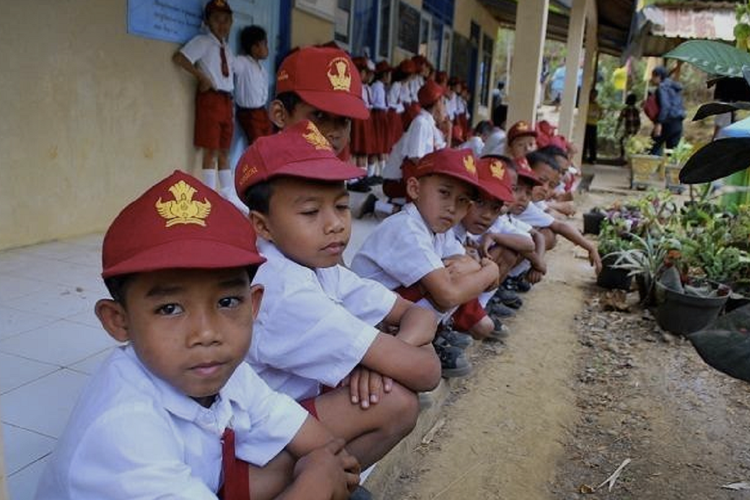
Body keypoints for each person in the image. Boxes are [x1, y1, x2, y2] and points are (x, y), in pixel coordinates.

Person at [35, 170, 361, 500]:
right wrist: (317, 482)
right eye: (170, 309)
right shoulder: (124, 430)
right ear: (118, 321)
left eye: (228, 302)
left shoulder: (219, 367)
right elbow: (320, 470)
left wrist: (328, 465)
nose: (206, 334)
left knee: (298, 461)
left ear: (254, 305)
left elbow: (299, 429)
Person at [234, 120, 441, 475]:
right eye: (311, 212)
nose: (335, 224)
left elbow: (422, 315)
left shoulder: (321, 265)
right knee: (395, 403)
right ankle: (319, 484)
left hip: (293, 420)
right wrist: (394, 356)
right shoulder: (283, 288)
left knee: (391, 391)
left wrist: (381, 358)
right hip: (250, 448)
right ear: (263, 226)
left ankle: (327, 482)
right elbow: (426, 371)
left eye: (342, 206)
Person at [351, 148, 503, 376]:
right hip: (365, 320)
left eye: (462, 201)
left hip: (392, 314)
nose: (452, 207)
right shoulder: (407, 228)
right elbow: (448, 294)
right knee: (451, 280)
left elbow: (466, 263)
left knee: (457, 274)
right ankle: (386, 361)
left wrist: (473, 266)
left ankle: (416, 344)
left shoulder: (439, 229)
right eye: (444, 193)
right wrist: (491, 270)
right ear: (414, 189)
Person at [172, 0, 246, 212]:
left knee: (224, 148)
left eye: (226, 20)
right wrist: (201, 77)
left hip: (226, 100)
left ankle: (228, 193)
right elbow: (180, 58)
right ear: (207, 21)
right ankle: (209, 193)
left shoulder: (226, 48)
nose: (222, 25)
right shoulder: (203, 42)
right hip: (211, 99)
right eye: (217, 20)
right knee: (210, 148)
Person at [362, 79, 448, 219]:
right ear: (437, 103)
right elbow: (414, 159)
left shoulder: (429, 123)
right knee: (426, 209)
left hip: (410, 178)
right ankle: (380, 206)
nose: (445, 107)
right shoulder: (421, 123)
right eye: (443, 102)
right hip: (396, 182)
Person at [268, 45, 369, 159]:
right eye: (319, 115)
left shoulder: (332, 170)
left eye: (344, 120)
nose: (334, 132)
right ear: (280, 115)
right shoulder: (263, 169)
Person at [512, 151, 602, 277]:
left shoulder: (528, 206)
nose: (545, 188)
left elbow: (559, 225)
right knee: (530, 239)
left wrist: (590, 247)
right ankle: (508, 279)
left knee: (544, 234)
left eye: (551, 185)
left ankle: (515, 276)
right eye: (541, 180)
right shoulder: (512, 202)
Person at [235, 25, 273, 146]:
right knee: (257, 145)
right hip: (249, 113)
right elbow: (227, 66)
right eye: (265, 44)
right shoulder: (242, 62)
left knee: (269, 141)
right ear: (254, 47)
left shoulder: (262, 69)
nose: (267, 48)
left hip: (262, 111)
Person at [649, 65, 686, 155]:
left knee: (654, 145)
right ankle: (669, 169)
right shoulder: (674, 87)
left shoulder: (662, 88)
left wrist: (659, 123)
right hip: (678, 121)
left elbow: (665, 106)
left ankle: (652, 167)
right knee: (672, 151)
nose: (652, 79)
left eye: (653, 76)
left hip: (667, 121)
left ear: (658, 76)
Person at [615, 93, 641, 160]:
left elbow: (620, 120)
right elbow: (638, 121)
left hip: (628, 129)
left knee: (622, 141)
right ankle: (630, 157)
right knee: (631, 143)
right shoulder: (636, 110)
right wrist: (638, 129)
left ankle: (622, 156)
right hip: (635, 130)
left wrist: (616, 129)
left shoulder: (625, 109)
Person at [583, 88, 601, 164]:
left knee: (592, 142)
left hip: (593, 124)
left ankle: (592, 158)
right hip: (586, 124)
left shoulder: (597, 105)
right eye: (593, 94)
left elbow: (600, 115)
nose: (594, 96)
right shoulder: (585, 103)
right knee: (585, 141)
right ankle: (583, 157)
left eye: (595, 95)